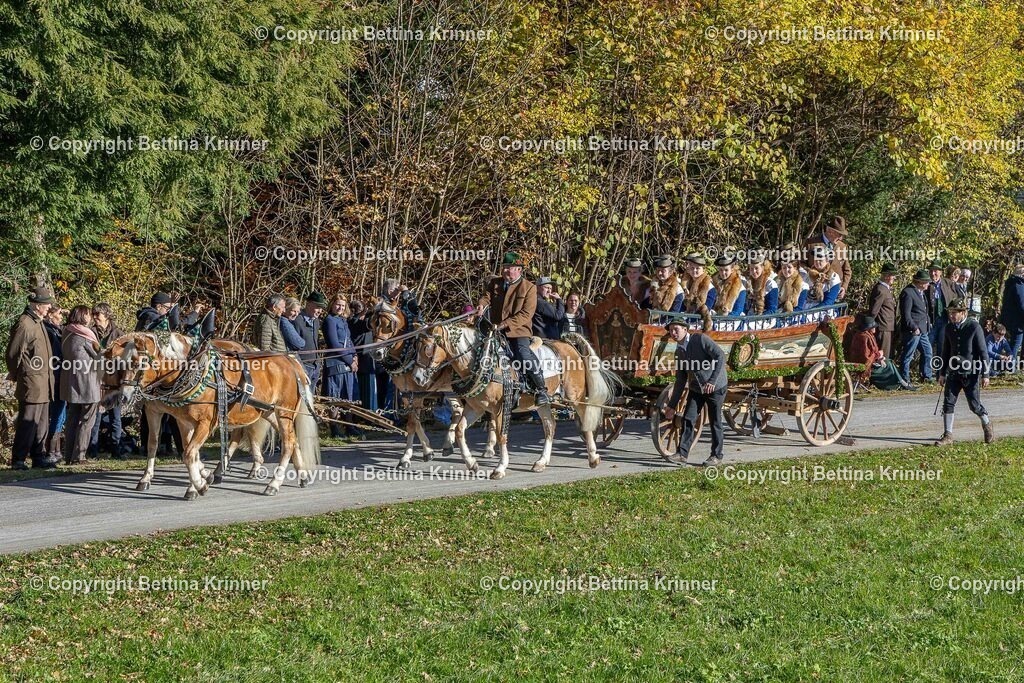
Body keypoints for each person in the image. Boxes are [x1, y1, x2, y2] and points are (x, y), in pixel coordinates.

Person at [476, 252, 549, 405]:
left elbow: (526, 314)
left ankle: (541, 389)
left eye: (510, 268)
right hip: (494, 329)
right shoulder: (495, 283)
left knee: (522, 354)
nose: (505, 271)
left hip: (518, 330)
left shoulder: (529, 288)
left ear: (519, 270)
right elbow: (486, 296)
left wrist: (505, 324)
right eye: (504, 267)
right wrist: (481, 305)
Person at [5, 287, 59, 469]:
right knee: (28, 422)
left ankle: (38, 456)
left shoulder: (37, 322)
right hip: (32, 381)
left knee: (42, 422)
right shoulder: (25, 324)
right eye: (47, 304)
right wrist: (16, 374)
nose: (49, 306)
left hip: (44, 381)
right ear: (37, 306)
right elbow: (13, 353)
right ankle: (19, 459)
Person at [663, 319, 727, 466]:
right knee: (688, 418)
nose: (673, 333)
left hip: (716, 387)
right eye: (671, 330)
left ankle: (716, 456)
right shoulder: (679, 352)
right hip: (697, 389)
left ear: (685, 329)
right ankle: (682, 454)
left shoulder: (700, 339)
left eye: (676, 329)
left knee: (715, 421)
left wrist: (712, 381)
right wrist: (672, 405)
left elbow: (720, 356)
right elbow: (680, 380)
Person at [935, 298, 994, 446]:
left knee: (974, 405)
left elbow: (983, 352)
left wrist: (985, 375)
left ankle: (987, 424)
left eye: (955, 313)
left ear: (964, 312)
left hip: (971, 373)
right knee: (948, 402)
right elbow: (945, 351)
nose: (952, 316)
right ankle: (948, 435)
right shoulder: (948, 328)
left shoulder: (974, 327)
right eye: (950, 312)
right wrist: (942, 373)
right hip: (953, 373)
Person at [60, 306, 102, 464]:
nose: (91, 317)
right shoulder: (86, 335)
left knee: (72, 419)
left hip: (70, 381)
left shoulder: (66, 332)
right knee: (87, 419)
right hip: (87, 382)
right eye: (88, 314)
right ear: (82, 316)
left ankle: (69, 455)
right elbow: (99, 356)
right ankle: (79, 456)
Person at [89, 302, 124, 458]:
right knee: (95, 418)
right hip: (97, 379)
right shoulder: (90, 332)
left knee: (116, 418)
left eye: (98, 314)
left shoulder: (119, 333)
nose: (95, 317)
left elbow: (127, 357)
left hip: (115, 379)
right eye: (93, 314)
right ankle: (93, 450)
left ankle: (116, 449)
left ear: (107, 315)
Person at [847, 316, 916, 391]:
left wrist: (879, 357)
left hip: (871, 361)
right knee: (889, 364)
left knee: (889, 362)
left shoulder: (867, 335)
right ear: (869, 328)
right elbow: (865, 356)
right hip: (866, 364)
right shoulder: (864, 337)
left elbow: (871, 352)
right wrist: (879, 356)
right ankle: (899, 383)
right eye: (873, 327)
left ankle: (901, 382)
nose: (875, 328)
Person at [323, 295, 359, 437]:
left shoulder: (343, 320)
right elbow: (334, 344)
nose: (340, 308)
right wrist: (350, 360)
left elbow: (349, 341)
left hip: (348, 361)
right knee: (335, 395)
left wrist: (355, 356)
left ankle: (348, 426)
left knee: (347, 395)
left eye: (343, 306)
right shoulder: (329, 320)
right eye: (338, 304)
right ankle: (334, 427)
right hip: (336, 362)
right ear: (332, 304)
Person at [899, 269, 934, 383]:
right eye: (927, 282)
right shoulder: (908, 292)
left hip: (922, 330)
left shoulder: (921, 292)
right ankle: (904, 379)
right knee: (908, 354)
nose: (928, 284)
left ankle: (926, 376)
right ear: (920, 282)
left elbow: (924, 311)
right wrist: (914, 327)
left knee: (928, 352)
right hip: (913, 331)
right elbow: (906, 314)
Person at [805, 215, 852, 299]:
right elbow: (801, 264)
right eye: (839, 234)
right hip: (813, 292)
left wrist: (844, 287)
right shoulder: (810, 243)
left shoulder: (842, 247)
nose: (841, 238)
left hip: (835, 294)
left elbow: (847, 270)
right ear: (829, 230)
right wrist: (812, 275)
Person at [43, 305, 66, 462]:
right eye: (59, 314)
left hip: (59, 376)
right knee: (57, 414)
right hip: (55, 376)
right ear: (50, 316)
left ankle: (56, 450)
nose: (62, 317)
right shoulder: (50, 332)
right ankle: (51, 451)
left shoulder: (56, 330)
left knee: (61, 414)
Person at [349, 301, 380, 412]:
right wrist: (370, 310)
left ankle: (369, 412)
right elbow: (367, 324)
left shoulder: (359, 321)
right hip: (360, 362)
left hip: (367, 360)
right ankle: (366, 413)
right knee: (365, 391)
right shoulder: (352, 322)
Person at [293, 292, 327, 388]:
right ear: (308, 304)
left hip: (315, 365)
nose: (320, 311)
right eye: (317, 307)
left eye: (321, 308)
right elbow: (294, 346)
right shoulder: (298, 320)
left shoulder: (316, 321)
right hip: (303, 365)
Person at [926, 259, 957, 358]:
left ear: (940, 272)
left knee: (942, 347)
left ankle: (941, 372)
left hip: (944, 320)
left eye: (935, 271)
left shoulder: (947, 283)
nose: (933, 273)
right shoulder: (925, 284)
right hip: (931, 322)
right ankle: (927, 372)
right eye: (931, 271)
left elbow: (955, 298)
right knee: (927, 348)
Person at [867, 263, 898, 359]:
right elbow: (873, 311)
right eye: (892, 275)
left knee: (886, 354)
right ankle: (881, 373)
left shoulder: (885, 289)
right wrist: (871, 325)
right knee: (882, 356)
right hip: (883, 327)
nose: (894, 278)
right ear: (886, 276)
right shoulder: (880, 289)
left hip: (887, 327)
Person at [999, 264, 1024, 373]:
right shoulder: (1019, 285)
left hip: (1010, 320)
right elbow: (1022, 304)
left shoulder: (1010, 284)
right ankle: (1010, 367)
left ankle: (1012, 367)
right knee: (1015, 344)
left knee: (1013, 344)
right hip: (1018, 322)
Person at [801, 246, 841, 310]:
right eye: (815, 259)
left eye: (820, 260)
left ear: (827, 260)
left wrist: (809, 312)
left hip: (822, 311)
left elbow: (828, 302)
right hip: (804, 308)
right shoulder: (808, 275)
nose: (817, 262)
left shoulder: (833, 278)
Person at [682, 254, 715, 327]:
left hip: (701, 322)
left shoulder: (710, 287)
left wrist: (686, 320)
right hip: (687, 319)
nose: (694, 270)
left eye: (698, 268)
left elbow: (706, 309)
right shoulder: (687, 284)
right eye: (692, 268)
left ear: (703, 269)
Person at [745, 253, 779, 317]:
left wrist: (759, 317)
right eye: (751, 269)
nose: (754, 271)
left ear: (762, 268)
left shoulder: (770, 284)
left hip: (765, 318)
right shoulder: (748, 283)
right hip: (749, 317)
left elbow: (772, 310)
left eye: (756, 268)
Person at [777, 248, 809, 316]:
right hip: (778, 314)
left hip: (794, 316)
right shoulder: (778, 283)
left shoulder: (803, 286)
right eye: (784, 268)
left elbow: (799, 308)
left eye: (789, 267)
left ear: (795, 268)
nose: (786, 270)